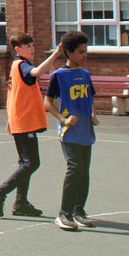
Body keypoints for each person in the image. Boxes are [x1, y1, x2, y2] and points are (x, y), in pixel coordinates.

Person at [0, 33, 63, 218]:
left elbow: (20, 91)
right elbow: (37, 72)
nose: (32, 48)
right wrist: (56, 54)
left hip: (22, 120)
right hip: (24, 121)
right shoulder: (21, 65)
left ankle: (20, 203)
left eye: (32, 45)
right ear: (18, 49)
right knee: (31, 163)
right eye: (28, 46)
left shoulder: (17, 66)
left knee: (25, 163)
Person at [45, 30, 99, 232]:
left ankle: (79, 211)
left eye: (86, 51)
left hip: (85, 130)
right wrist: (63, 119)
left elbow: (90, 99)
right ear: (69, 52)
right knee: (75, 168)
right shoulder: (58, 76)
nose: (84, 55)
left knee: (84, 172)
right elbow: (47, 103)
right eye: (81, 52)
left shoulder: (85, 74)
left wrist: (93, 113)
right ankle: (64, 214)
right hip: (69, 132)